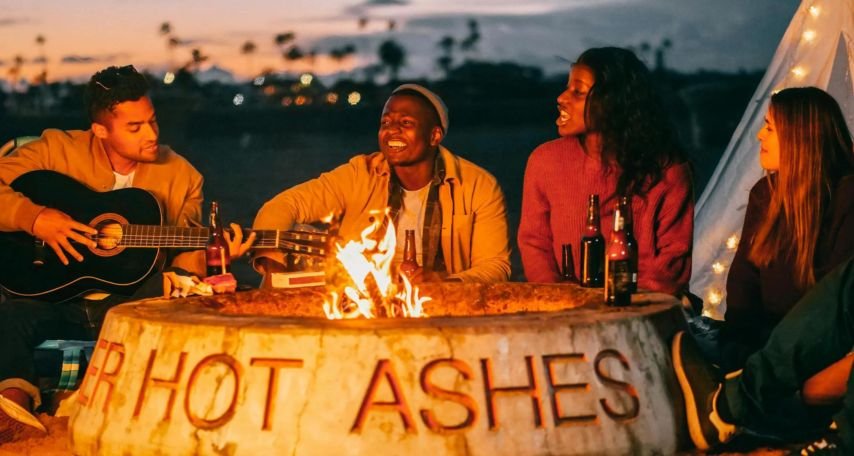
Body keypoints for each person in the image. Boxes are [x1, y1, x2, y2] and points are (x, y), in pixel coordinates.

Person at [0, 65, 249, 444]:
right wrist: (34, 219)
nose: (152, 135)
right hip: (52, 299)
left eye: (152, 121)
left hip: (129, 304)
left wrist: (209, 260)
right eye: (135, 127)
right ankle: (13, 410)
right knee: (11, 317)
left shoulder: (183, 176)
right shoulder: (54, 150)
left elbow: (185, 256)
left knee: (176, 293)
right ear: (100, 130)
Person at [253, 83, 510, 283]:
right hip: (362, 302)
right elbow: (283, 206)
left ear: (434, 135)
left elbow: (495, 266)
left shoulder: (478, 185)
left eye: (406, 123)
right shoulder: (361, 173)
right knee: (301, 237)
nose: (392, 130)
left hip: (440, 306)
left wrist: (443, 282)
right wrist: (274, 271)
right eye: (385, 122)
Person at [517, 46, 693, 295]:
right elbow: (535, 243)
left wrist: (613, 304)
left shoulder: (667, 171)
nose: (561, 98)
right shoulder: (545, 161)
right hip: (564, 308)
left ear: (614, 103)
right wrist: (558, 298)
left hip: (643, 307)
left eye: (578, 92)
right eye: (567, 88)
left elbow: (671, 265)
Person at [713, 87, 854, 372]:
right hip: (762, 341)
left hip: (816, 351)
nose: (759, 136)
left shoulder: (846, 197)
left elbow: (833, 302)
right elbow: (744, 279)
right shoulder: (765, 194)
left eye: (769, 128)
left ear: (800, 136)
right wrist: (738, 343)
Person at [673, 255, 854, 455]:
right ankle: (730, 404)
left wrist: (797, 398)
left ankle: (734, 403)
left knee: (702, 337)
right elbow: (742, 306)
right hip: (765, 357)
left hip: (802, 389)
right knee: (703, 336)